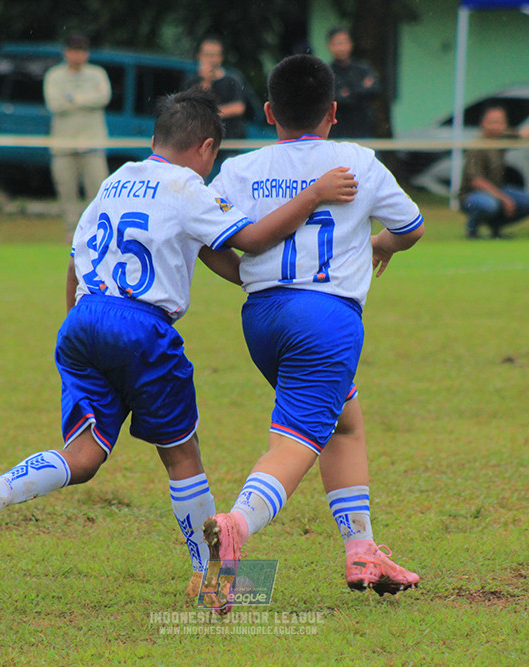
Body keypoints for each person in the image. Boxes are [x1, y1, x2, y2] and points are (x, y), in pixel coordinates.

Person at [0, 88, 359, 598]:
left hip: (83, 319)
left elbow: (75, 263)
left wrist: (82, 332)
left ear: (153, 139)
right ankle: (211, 575)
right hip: (142, 328)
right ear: (207, 149)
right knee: (182, 457)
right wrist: (314, 195)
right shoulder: (189, 187)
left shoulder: (115, 181)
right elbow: (250, 240)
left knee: (83, 454)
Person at [202, 54, 425, 611]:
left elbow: (204, 241)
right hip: (325, 320)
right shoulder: (357, 161)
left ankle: (362, 550)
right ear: (332, 111)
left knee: (344, 424)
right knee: (294, 444)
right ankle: (235, 528)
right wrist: (381, 244)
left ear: (270, 112)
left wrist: (248, 277)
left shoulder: (241, 168)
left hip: (262, 319)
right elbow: (412, 227)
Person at [44, 33, 111, 245]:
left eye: (82, 51)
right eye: (74, 51)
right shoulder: (54, 76)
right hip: (63, 145)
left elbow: (104, 97)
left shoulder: (97, 74)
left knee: (98, 189)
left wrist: (74, 98)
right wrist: (87, 100)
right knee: (66, 190)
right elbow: (55, 104)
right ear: (66, 53)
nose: (78, 56)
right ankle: (70, 232)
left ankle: (97, 231)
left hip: (93, 143)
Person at [459, 106, 529, 240]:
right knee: (489, 204)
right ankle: (472, 229)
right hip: (473, 194)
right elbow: (476, 181)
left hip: (498, 189)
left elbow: (522, 134)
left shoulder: (501, 139)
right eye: (491, 122)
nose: (495, 126)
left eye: (499, 122)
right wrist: (504, 199)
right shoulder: (478, 146)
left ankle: (496, 228)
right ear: (482, 123)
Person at [184, 37, 249, 142]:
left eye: (214, 55)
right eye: (207, 54)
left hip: (229, 140)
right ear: (199, 56)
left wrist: (210, 114)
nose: (210, 59)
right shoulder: (191, 81)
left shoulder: (231, 79)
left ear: (221, 57)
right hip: (201, 139)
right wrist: (206, 81)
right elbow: (190, 108)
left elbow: (238, 107)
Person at [326, 27, 380, 139]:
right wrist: (360, 89)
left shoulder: (363, 69)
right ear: (329, 45)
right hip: (337, 134)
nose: (341, 47)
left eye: (344, 43)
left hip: (363, 131)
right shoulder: (326, 72)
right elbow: (331, 98)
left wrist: (348, 92)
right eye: (337, 43)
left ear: (351, 44)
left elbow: (375, 90)